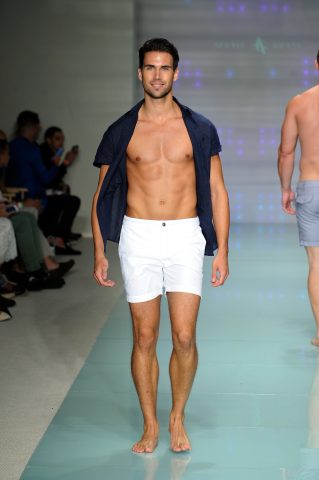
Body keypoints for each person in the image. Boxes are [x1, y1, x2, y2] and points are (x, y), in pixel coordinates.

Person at [92, 38, 230, 453]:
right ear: (140, 73)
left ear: (176, 72)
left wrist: (223, 248)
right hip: (139, 235)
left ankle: (177, 416)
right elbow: (101, 194)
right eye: (150, 68)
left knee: (185, 336)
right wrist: (99, 251)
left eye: (164, 68)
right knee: (145, 337)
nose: (157, 75)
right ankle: (151, 423)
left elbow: (217, 190)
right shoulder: (121, 131)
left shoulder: (200, 128)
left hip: (186, 234)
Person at [278, 49, 319, 347]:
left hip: (311, 186)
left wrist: (285, 188)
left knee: (317, 265)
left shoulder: (300, 103)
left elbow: (286, 151)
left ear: (317, 62)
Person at [6, 111, 81, 255]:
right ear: (35, 127)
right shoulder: (33, 149)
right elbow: (46, 179)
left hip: (16, 197)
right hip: (34, 199)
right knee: (69, 201)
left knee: (63, 198)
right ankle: (57, 241)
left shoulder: (11, 146)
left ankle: (55, 240)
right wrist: (60, 163)